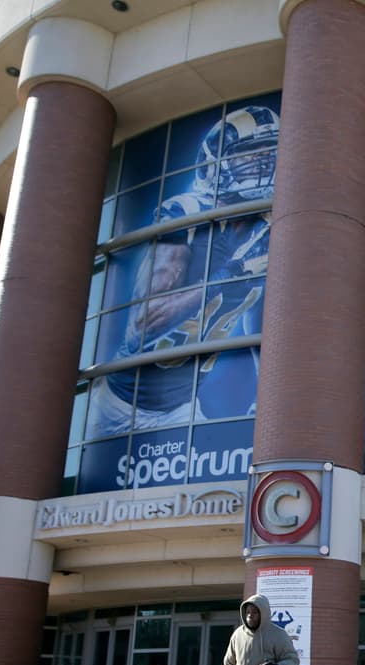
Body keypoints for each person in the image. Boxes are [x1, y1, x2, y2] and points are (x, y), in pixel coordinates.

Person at [86, 104, 277, 437]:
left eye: (269, 150)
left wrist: (265, 391)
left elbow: (254, 314)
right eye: (249, 152)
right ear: (216, 163)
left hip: (181, 408)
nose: (262, 160)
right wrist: (225, 277)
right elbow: (144, 325)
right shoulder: (186, 216)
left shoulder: (265, 228)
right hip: (119, 405)